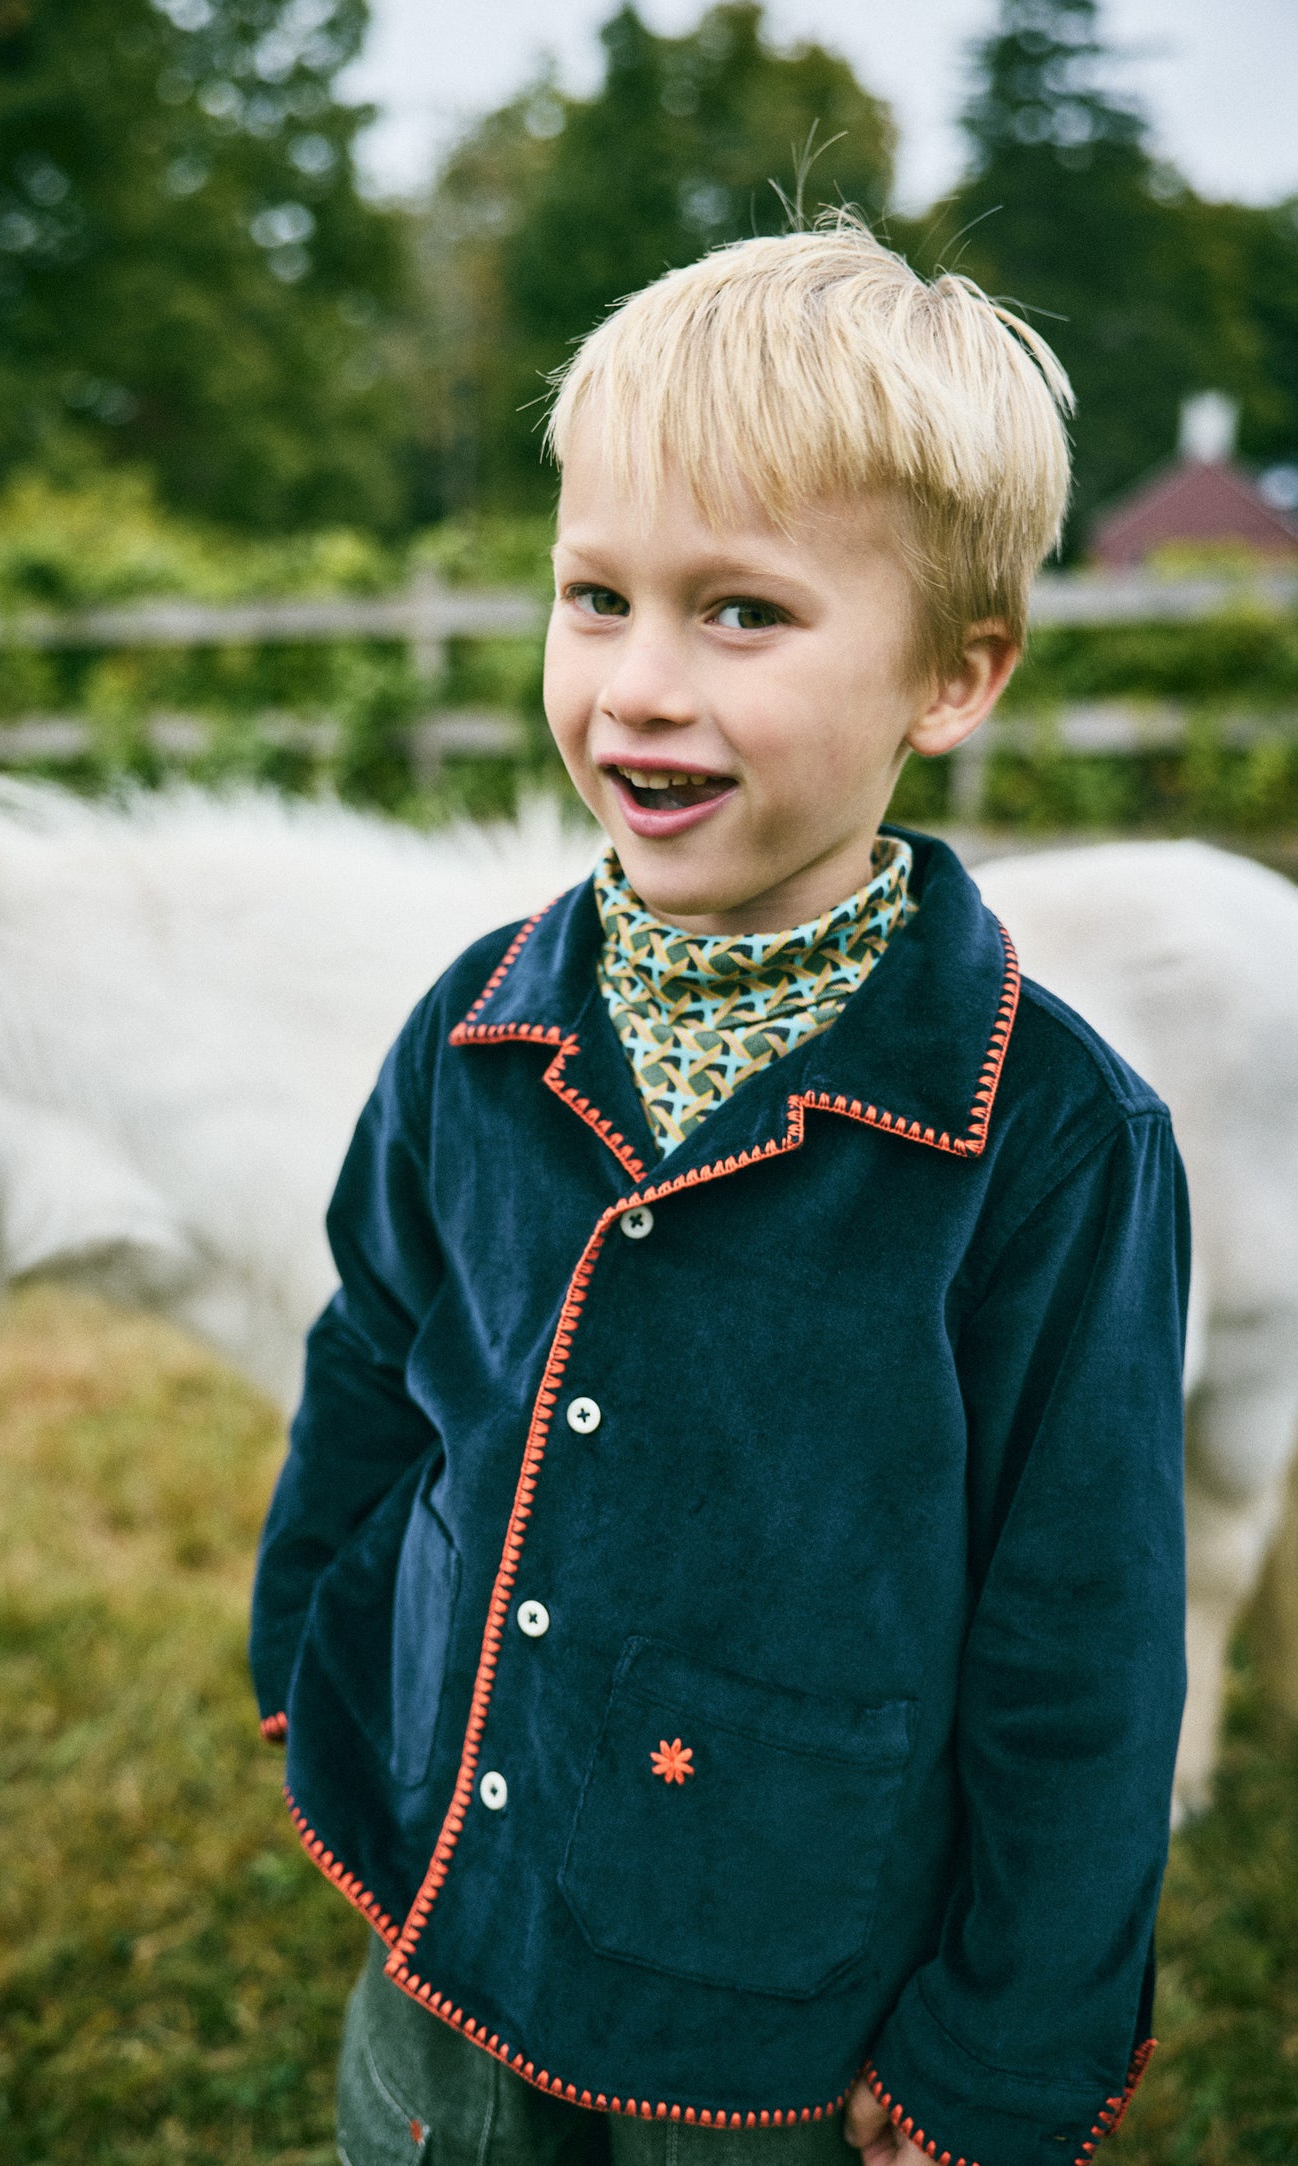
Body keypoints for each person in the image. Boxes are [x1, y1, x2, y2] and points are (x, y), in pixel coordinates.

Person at [250, 214, 1188, 2166]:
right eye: (597, 597)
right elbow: (376, 1342)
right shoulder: (476, 1028)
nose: (639, 687)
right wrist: (314, 1651)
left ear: (955, 672)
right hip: (448, 1935)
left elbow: (1080, 1640)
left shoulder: (1052, 1144)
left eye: (742, 614)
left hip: (771, 2018)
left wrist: (1001, 2050)